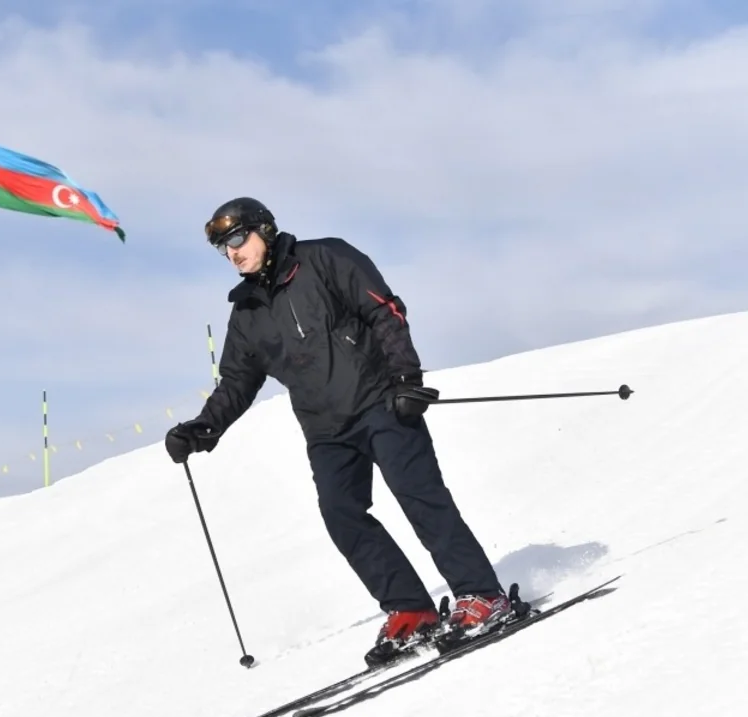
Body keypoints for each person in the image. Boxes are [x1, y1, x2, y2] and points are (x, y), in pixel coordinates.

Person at [164, 197, 510, 667]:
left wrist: (406, 379)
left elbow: (385, 311)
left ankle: (481, 595)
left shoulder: (326, 258)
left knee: (419, 496)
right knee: (342, 514)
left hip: (380, 401)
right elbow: (237, 382)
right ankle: (410, 608)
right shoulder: (246, 312)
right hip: (325, 428)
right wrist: (202, 429)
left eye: (238, 240)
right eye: (224, 248)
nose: (233, 254)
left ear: (264, 230)